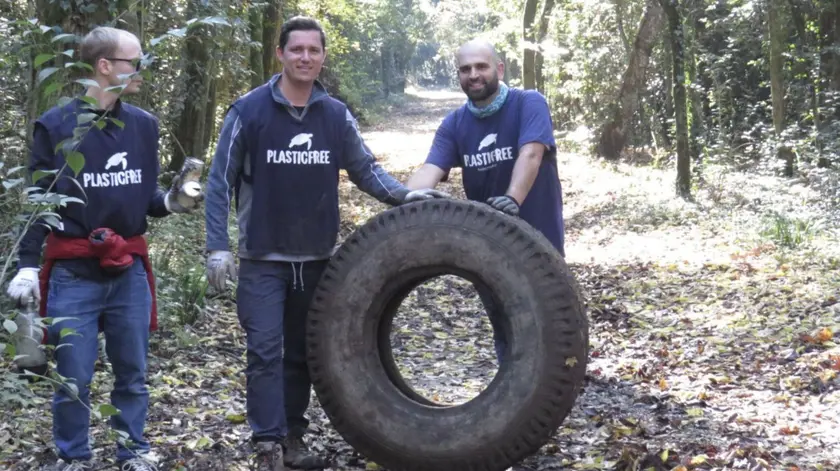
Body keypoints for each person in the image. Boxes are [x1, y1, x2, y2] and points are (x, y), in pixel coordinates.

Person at [203, 15, 446, 471]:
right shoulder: (248, 111)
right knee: (264, 352)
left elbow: (364, 168)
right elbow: (219, 183)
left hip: (318, 259)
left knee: (302, 353)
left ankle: (292, 437)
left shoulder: (334, 114)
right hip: (262, 258)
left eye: (313, 50)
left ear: (322, 56)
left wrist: (405, 195)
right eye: (296, 49)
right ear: (280, 53)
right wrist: (217, 247)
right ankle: (267, 444)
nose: (305, 57)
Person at [5, 26, 202, 471]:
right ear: (105, 66)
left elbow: (146, 199)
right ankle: (73, 456)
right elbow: (40, 201)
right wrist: (27, 265)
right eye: (135, 61)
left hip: (127, 270)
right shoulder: (56, 126)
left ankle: (133, 451)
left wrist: (173, 202)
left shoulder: (143, 126)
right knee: (73, 376)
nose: (143, 69)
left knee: (132, 372)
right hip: (74, 272)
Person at [405, 38, 566, 363]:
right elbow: (430, 170)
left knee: (550, 325)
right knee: (504, 324)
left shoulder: (528, 103)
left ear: (499, 69)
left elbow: (531, 154)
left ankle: (560, 383)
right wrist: (406, 199)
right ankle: (513, 386)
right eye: (465, 69)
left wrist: (512, 199)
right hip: (488, 244)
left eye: (481, 66)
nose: (474, 75)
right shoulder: (455, 124)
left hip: (539, 239)